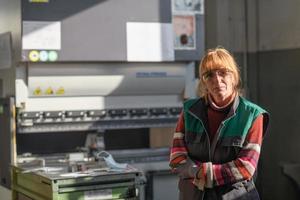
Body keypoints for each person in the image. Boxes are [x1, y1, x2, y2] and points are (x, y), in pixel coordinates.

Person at [169, 47, 269, 200]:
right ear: (204, 82)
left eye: (223, 72)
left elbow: (246, 167)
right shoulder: (189, 111)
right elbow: (177, 158)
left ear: (234, 77)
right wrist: (198, 172)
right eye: (209, 75)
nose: (216, 80)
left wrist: (204, 173)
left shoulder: (253, 115)